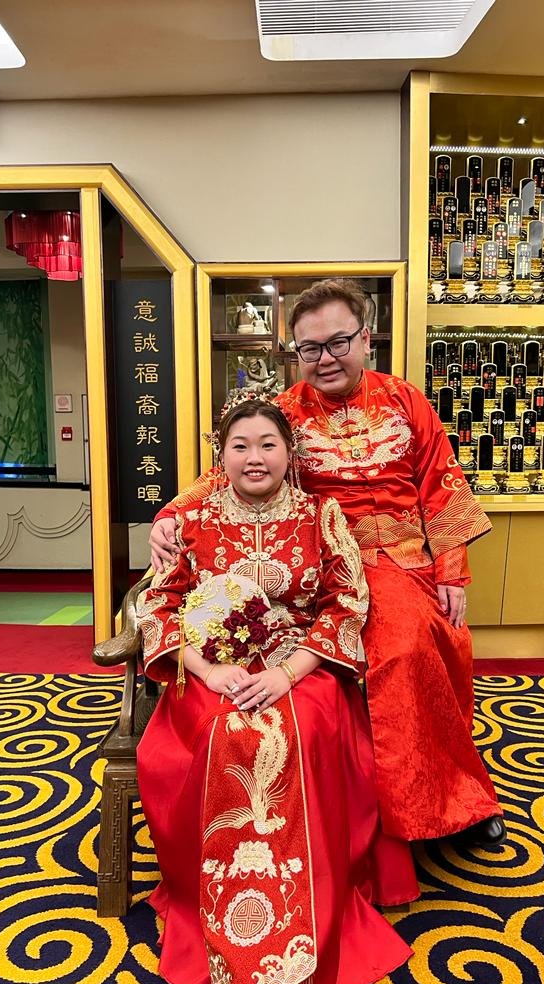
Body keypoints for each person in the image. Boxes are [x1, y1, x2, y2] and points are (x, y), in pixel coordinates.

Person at [150, 278, 505, 847]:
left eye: (338, 342)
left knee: (407, 646)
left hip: (399, 561)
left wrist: (452, 570)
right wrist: (170, 513)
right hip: (315, 558)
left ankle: (451, 801)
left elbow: (442, 484)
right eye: (310, 349)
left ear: (366, 339)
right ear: (295, 352)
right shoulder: (285, 411)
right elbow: (229, 471)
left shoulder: (405, 399)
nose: (325, 358)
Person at [137, 398, 417, 984]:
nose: (254, 457)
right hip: (214, 671)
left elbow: (347, 606)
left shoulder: (322, 516)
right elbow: (156, 606)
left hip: (302, 668)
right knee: (221, 732)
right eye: (240, 445)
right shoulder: (193, 522)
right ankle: (209, 899)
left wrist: (288, 672)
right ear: (221, 457)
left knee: (301, 732)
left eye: (268, 444)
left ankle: (303, 911)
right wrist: (210, 670)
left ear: (290, 454)